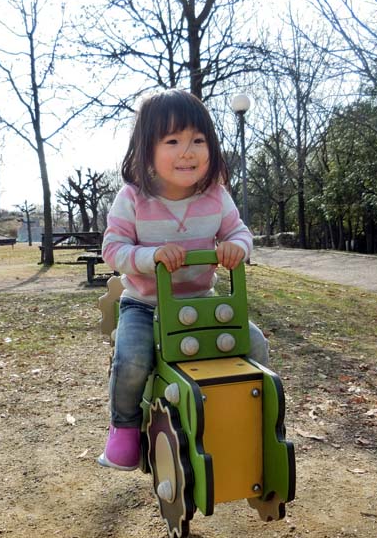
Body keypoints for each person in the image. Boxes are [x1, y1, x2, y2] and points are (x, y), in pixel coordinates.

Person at [97, 89, 268, 471]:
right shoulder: (133, 198)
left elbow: (240, 232)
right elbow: (113, 248)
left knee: (255, 346)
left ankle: (257, 421)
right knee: (132, 359)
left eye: (197, 140)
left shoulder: (216, 196)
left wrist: (236, 247)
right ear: (147, 149)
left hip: (201, 302)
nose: (187, 151)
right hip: (146, 305)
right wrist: (150, 256)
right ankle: (123, 429)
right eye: (172, 141)